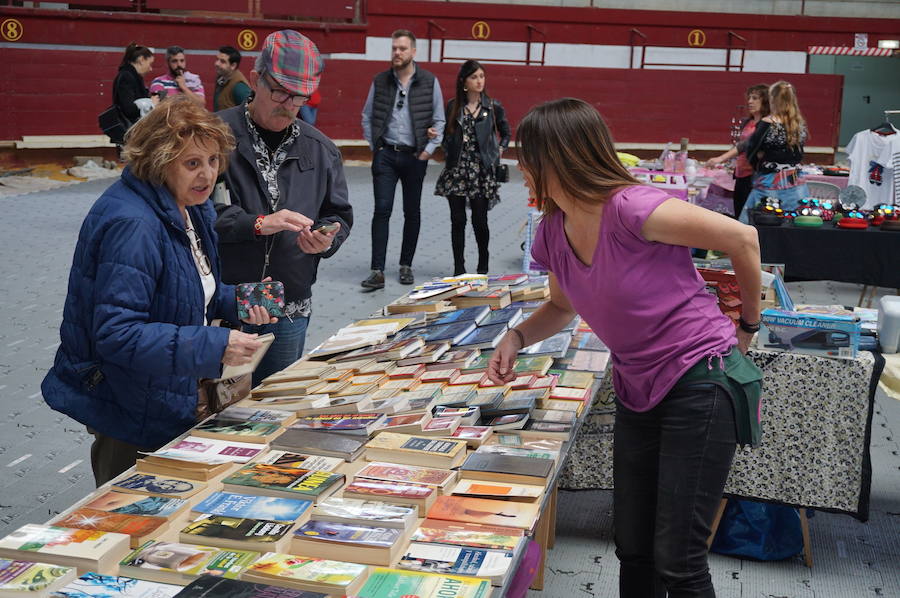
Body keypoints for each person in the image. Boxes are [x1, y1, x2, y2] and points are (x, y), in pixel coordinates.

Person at [487, 98, 764, 598]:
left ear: (559, 157)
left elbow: (743, 239)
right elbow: (561, 306)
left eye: (527, 157)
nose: (520, 168)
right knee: (634, 547)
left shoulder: (633, 207)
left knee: (678, 561)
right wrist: (516, 335)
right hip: (638, 387)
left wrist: (747, 322)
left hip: (700, 379)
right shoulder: (552, 231)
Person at [41, 97, 275, 487]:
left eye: (213, 161)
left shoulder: (188, 207)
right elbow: (117, 334)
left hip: (162, 392)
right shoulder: (133, 224)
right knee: (128, 519)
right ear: (160, 160)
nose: (207, 175)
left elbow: (189, 292)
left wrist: (240, 300)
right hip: (128, 407)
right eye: (192, 163)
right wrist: (214, 345)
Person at [214, 30, 353, 386]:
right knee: (213, 408)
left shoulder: (320, 149)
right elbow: (203, 215)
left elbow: (338, 214)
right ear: (256, 80)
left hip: (289, 307)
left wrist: (327, 239)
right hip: (224, 302)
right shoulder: (216, 136)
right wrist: (258, 223)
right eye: (280, 92)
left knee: (272, 407)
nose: (289, 104)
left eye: (299, 97)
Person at [360, 29, 445, 289]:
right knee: (381, 211)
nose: (397, 53)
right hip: (386, 154)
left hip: (414, 157)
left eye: (402, 49)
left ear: (413, 52)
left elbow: (439, 119)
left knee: (412, 212)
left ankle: (406, 266)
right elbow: (367, 116)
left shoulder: (429, 81)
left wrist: (428, 150)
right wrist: (376, 146)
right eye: (394, 48)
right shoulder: (380, 80)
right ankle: (377, 271)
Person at [435, 60, 510, 276]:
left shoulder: (493, 107)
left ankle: (482, 265)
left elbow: (506, 132)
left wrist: (501, 148)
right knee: (457, 221)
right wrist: (443, 144)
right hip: (457, 171)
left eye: (482, 76)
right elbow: (447, 136)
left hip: (482, 171)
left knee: (480, 220)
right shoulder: (453, 106)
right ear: (464, 82)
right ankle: (459, 267)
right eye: (474, 77)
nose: (479, 81)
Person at [738, 80, 810, 222]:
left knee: (757, 221)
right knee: (793, 220)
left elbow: (752, 149)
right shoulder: (798, 123)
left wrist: (758, 164)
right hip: (795, 179)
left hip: (770, 181)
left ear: (773, 100)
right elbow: (799, 152)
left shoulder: (768, 122)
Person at [706, 84, 769, 219]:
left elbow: (746, 145)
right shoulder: (747, 122)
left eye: (755, 98)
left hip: (755, 175)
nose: (750, 101)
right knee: (738, 211)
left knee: (749, 215)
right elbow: (740, 145)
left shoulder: (767, 124)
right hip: (741, 173)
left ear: (765, 101)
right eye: (749, 98)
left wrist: (720, 158)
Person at [113, 42, 157, 125]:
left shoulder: (130, 76)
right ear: (141, 60)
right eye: (150, 63)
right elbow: (129, 110)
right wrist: (151, 102)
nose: (150, 69)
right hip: (129, 132)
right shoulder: (127, 77)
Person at [213, 46, 252, 111]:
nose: (217, 63)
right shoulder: (221, 78)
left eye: (222, 61)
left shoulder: (239, 87)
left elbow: (249, 111)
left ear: (233, 65)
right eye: (217, 59)